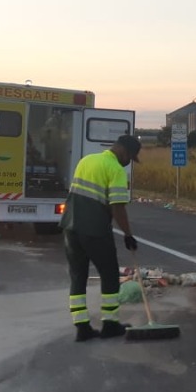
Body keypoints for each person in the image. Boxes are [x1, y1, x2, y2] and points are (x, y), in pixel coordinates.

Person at [60, 134, 141, 341]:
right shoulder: (115, 170)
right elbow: (117, 207)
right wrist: (128, 235)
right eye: (130, 157)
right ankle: (110, 324)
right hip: (95, 230)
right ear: (124, 151)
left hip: (70, 227)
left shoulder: (86, 160)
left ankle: (82, 327)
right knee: (110, 274)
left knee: (78, 276)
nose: (128, 162)